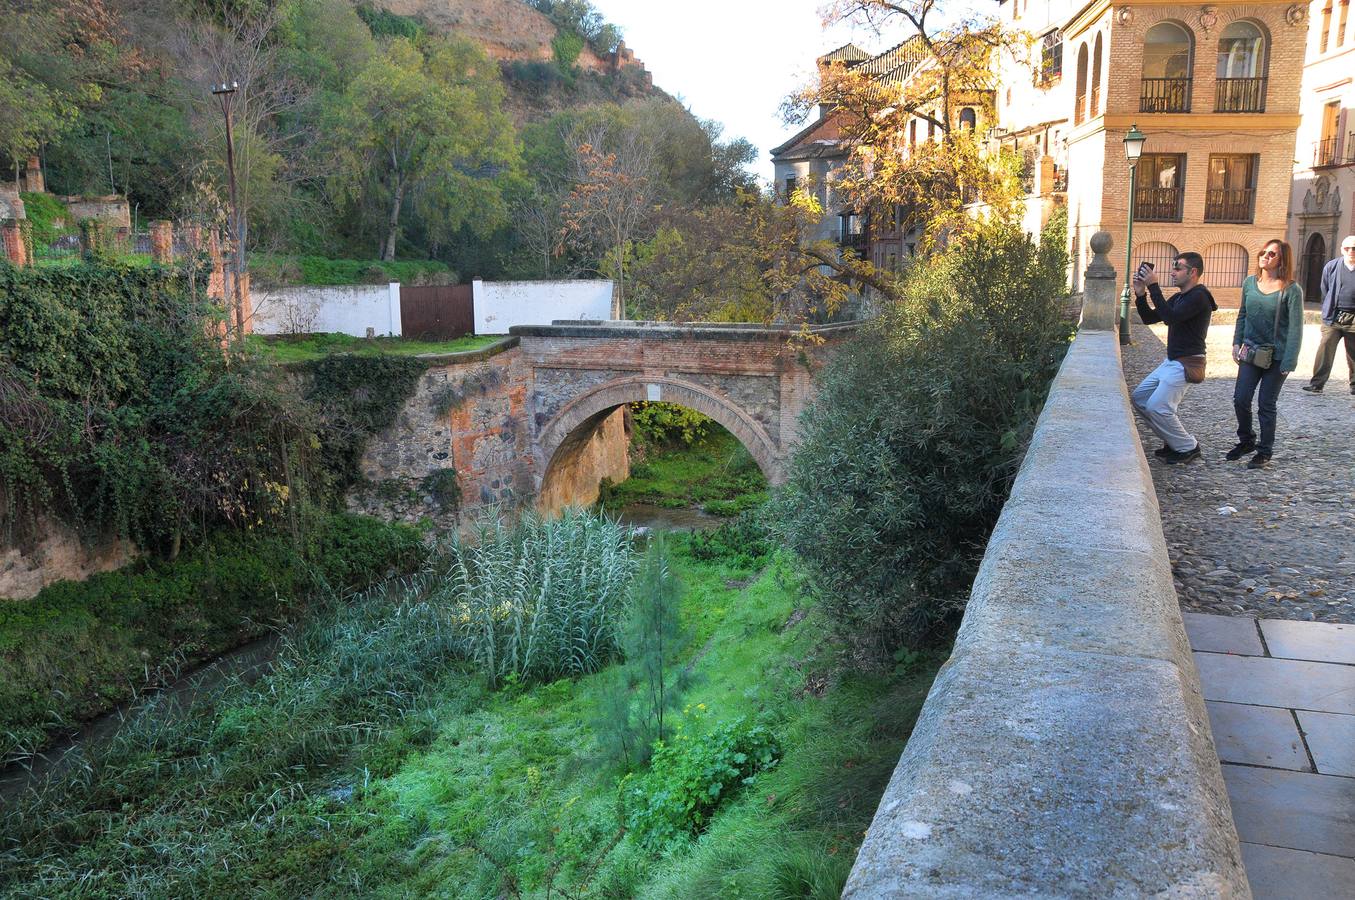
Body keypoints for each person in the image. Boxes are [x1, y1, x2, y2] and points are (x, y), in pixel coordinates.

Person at [1131, 251, 1217, 464]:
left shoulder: (1199, 296)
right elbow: (1150, 318)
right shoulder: (1180, 297)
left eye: (1178, 268)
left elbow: (1170, 318)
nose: (1172, 272)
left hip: (1188, 362)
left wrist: (1153, 286)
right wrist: (1141, 294)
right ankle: (1175, 443)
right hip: (1172, 361)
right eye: (1173, 267)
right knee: (1140, 399)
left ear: (1193, 272)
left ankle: (1188, 447)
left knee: (1158, 407)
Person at [1229, 240, 1304, 469]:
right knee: (1241, 399)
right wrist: (1236, 342)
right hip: (1251, 352)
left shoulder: (1291, 290)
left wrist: (1290, 360)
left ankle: (1264, 451)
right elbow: (1243, 314)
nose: (1266, 256)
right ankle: (1246, 440)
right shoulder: (1250, 283)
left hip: (1277, 356)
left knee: (1266, 404)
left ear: (1282, 260)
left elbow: (1295, 328)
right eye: (1263, 252)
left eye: (1272, 254)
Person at [1301, 234, 1355, 395]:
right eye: (1347, 248)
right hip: (1334, 315)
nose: (1351, 251)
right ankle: (1317, 384)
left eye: (1354, 248)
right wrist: (1329, 307)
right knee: (1325, 349)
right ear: (1342, 250)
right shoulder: (1332, 267)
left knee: (1354, 353)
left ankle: (1354, 386)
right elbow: (1325, 289)